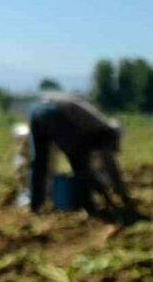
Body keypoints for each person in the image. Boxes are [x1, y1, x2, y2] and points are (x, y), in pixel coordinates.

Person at [27, 92, 145, 223]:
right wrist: (122, 194)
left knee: (39, 163)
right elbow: (109, 166)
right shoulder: (104, 132)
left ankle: (35, 206)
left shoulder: (94, 125)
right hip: (56, 113)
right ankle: (90, 209)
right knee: (79, 164)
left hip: (37, 110)